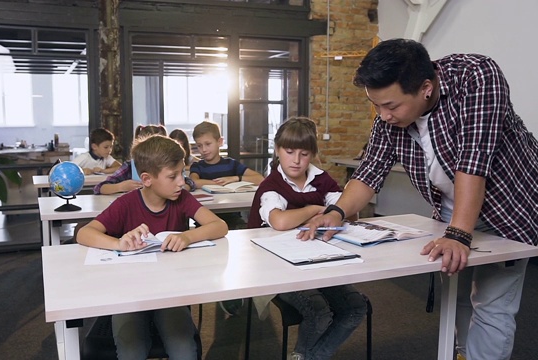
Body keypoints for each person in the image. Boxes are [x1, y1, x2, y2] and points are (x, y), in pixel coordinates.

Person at [299, 38, 538, 360]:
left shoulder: (477, 76)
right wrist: (337, 211)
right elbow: (370, 170)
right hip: (455, 211)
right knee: (459, 296)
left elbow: (474, 159)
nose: (383, 116)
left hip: (508, 210)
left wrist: (458, 233)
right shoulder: (391, 116)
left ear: (426, 88)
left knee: (492, 302)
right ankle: (464, 353)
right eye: (377, 106)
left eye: (391, 106)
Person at [77, 134, 228, 359]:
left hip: (170, 290)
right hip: (129, 292)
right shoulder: (126, 203)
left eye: (183, 173)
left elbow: (220, 225)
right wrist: (118, 243)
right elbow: (84, 233)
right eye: (173, 176)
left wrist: (187, 237)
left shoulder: (182, 198)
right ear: (147, 179)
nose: (181, 181)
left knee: (185, 349)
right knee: (131, 350)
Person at [249, 117, 366, 360]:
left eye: (304, 153)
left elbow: (350, 211)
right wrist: (316, 209)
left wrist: (333, 211)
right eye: (289, 152)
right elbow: (280, 221)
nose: (296, 160)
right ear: (278, 150)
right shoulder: (272, 184)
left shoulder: (321, 178)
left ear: (312, 154)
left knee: (356, 306)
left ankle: (305, 356)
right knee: (319, 310)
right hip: (276, 268)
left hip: (318, 261)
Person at [188, 120, 265, 315]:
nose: (204, 149)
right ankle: (223, 291)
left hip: (234, 219)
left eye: (208, 144)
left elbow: (259, 179)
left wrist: (236, 178)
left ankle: (241, 287)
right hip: (206, 222)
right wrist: (217, 183)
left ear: (219, 142)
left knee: (243, 245)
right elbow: (193, 182)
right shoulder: (198, 166)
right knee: (215, 258)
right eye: (199, 146)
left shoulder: (231, 164)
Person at [93, 124, 197, 195]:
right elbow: (99, 188)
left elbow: (189, 182)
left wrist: (180, 188)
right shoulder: (129, 166)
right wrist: (121, 187)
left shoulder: (169, 166)